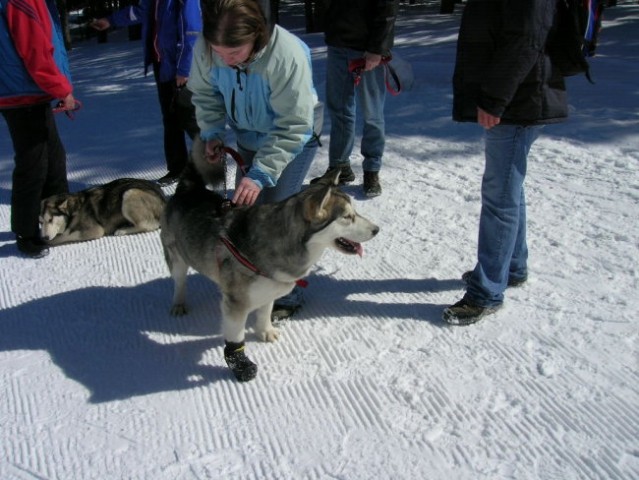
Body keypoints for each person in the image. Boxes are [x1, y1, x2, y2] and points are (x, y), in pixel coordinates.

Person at [188, 0, 322, 318]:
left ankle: (287, 291)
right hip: (248, 137)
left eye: (233, 54)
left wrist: (261, 172)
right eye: (218, 52)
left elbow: (293, 125)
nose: (223, 59)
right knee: (246, 214)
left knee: (281, 217)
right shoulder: (208, 48)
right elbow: (205, 94)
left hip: (294, 140)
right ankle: (254, 277)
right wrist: (212, 133)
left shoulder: (286, 54)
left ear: (256, 37)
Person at [443, 0, 569, 325]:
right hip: (516, 99)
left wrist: (495, 99)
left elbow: (526, 40)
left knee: (500, 197)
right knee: (509, 190)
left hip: (518, 102)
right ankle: (512, 267)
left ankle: (487, 292)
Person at [91, 0, 201, 186]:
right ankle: (177, 169)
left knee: (191, 119)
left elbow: (192, 31)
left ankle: (213, 163)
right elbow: (139, 11)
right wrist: (111, 21)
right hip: (164, 65)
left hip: (182, 68)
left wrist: (184, 69)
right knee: (170, 118)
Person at [0, 0, 78, 258]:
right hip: (21, 91)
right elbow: (35, 50)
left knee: (54, 158)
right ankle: (26, 231)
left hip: (28, 90)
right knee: (34, 162)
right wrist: (61, 88)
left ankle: (58, 218)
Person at [310, 0, 399, 197]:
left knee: (372, 113)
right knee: (339, 109)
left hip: (368, 48)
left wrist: (377, 48)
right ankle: (339, 168)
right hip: (337, 44)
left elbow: (387, 8)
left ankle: (372, 170)